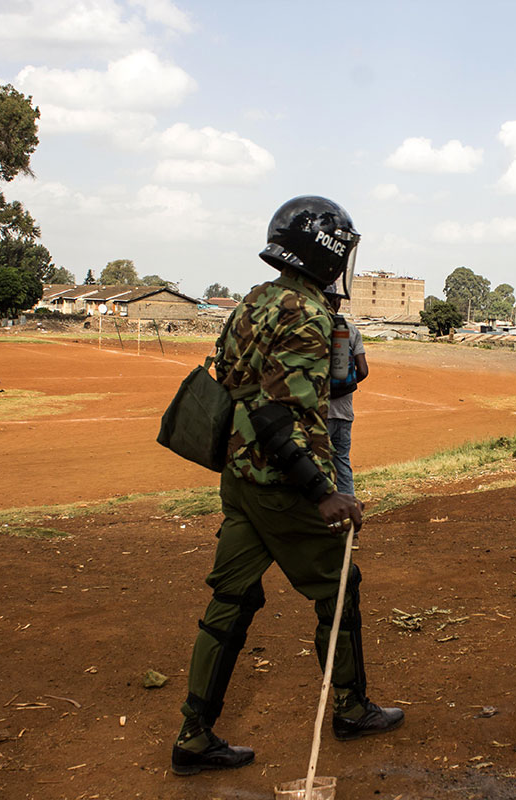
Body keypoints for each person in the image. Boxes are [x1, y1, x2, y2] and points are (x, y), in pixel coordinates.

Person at [171, 195, 404, 777]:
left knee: (231, 597)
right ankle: (350, 710)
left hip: (241, 477)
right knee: (339, 587)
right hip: (282, 482)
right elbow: (281, 416)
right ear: (328, 254)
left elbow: (230, 383)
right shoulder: (306, 314)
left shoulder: (254, 301)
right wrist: (324, 493)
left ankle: (194, 737)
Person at [324, 284, 368, 497]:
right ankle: (348, 518)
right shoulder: (350, 330)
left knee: (316, 466)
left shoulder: (314, 327)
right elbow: (364, 370)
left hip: (319, 414)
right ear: (338, 301)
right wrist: (346, 386)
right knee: (342, 462)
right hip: (344, 413)